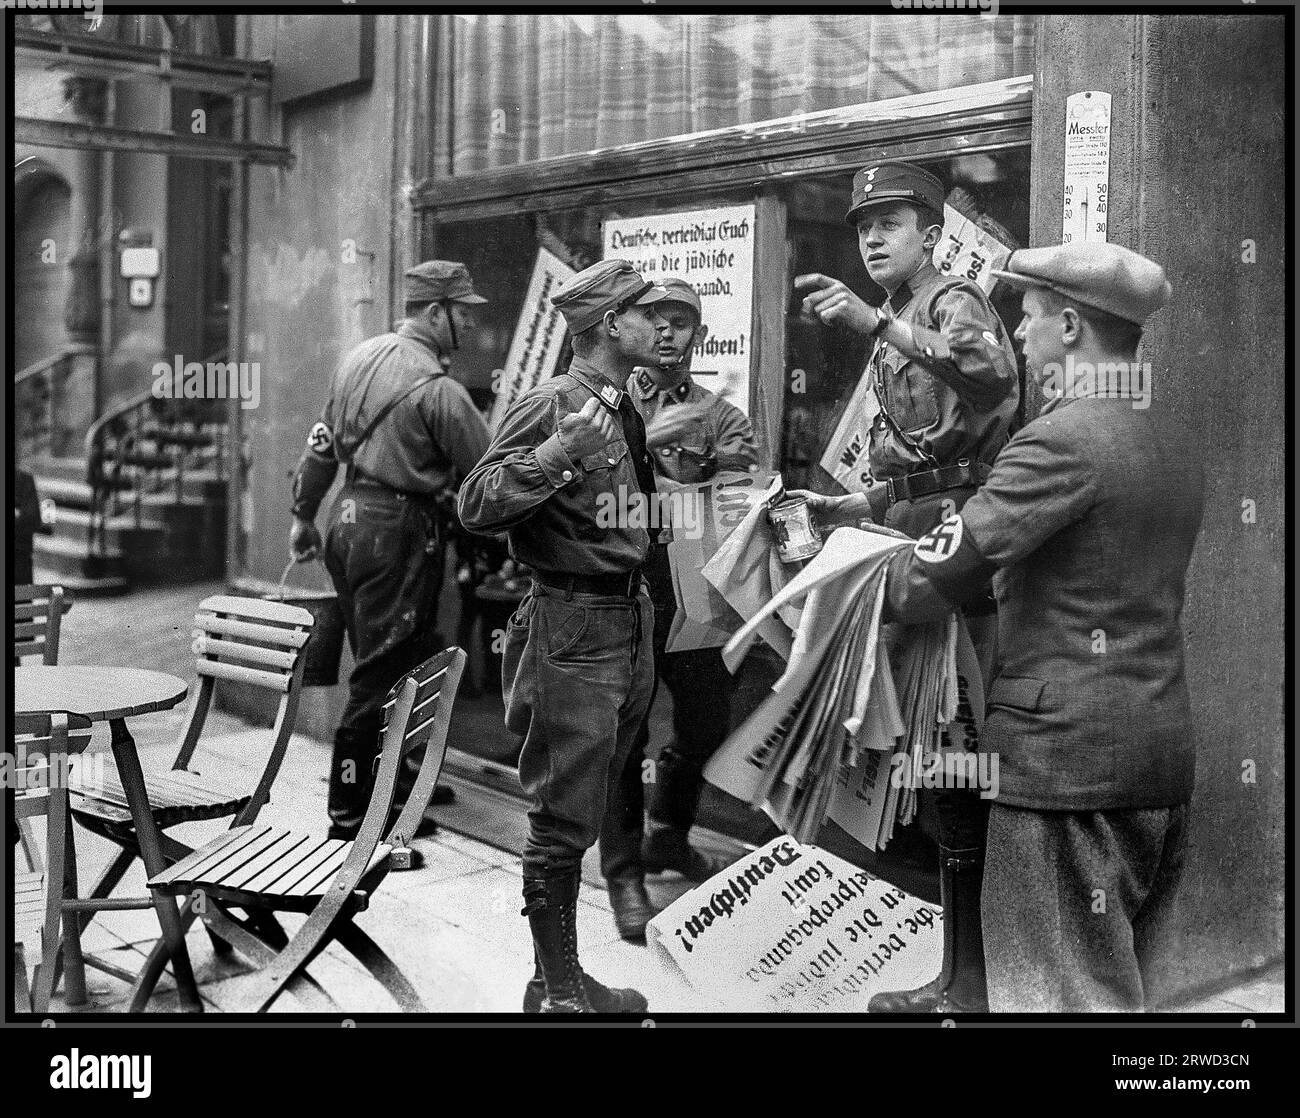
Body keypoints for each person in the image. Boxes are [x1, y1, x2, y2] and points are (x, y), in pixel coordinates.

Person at [859, 241, 1204, 1010]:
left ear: (1073, 327)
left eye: (1032, 314)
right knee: (1117, 990)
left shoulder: (1059, 440)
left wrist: (840, 578)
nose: (1018, 332)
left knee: (1058, 1000)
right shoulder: (1171, 439)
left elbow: (932, 577)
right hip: (1156, 756)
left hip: (1064, 769)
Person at [793, 161, 1019, 1012]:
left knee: (961, 740)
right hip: (921, 536)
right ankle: (961, 968)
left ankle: (971, 978)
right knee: (935, 744)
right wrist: (845, 502)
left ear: (930, 233)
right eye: (862, 226)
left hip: (972, 551)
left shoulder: (951, 301)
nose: (873, 238)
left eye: (890, 222)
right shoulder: (896, 319)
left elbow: (989, 375)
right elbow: (916, 460)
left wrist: (874, 328)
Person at [458, 259, 672, 1014]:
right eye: (647, 311)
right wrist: (554, 456)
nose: (660, 323)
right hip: (574, 628)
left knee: (586, 799)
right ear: (612, 324)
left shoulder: (619, 403)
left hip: (623, 618)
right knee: (560, 817)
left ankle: (555, 980)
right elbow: (476, 502)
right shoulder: (554, 403)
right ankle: (564, 996)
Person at [289, 260, 491, 870]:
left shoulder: (358, 358)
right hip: (398, 531)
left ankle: (398, 785)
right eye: (464, 312)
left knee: (409, 654)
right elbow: (487, 471)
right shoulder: (439, 389)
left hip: (346, 523)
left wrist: (303, 513)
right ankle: (350, 817)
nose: (472, 325)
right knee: (380, 671)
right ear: (435, 313)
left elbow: (320, 442)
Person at [598, 277, 759, 942]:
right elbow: (603, 493)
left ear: (699, 335)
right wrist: (668, 470)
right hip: (629, 581)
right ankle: (623, 875)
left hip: (696, 583)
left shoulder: (721, 412)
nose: (667, 333)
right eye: (656, 320)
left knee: (706, 717)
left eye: (682, 322)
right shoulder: (609, 406)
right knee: (624, 730)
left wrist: (692, 471)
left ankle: (670, 831)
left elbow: (742, 485)